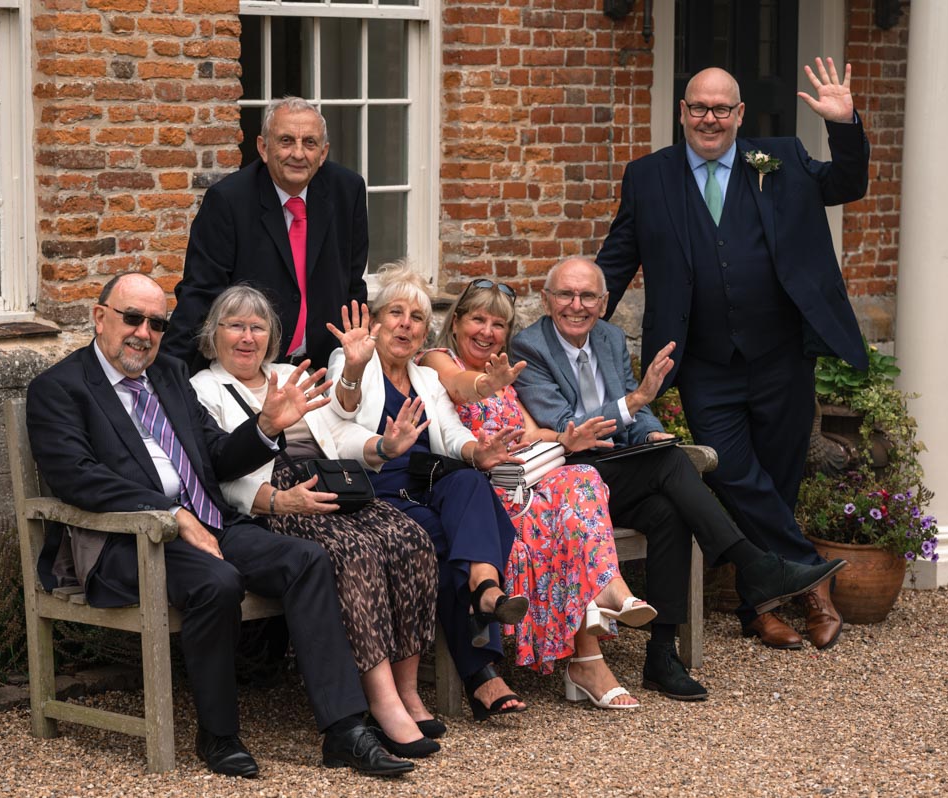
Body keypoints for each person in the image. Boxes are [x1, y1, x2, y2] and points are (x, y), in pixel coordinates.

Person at [25, 272, 412, 778]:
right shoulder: (60, 388)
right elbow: (76, 478)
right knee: (218, 581)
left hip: (211, 525)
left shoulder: (167, 376)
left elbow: (215, 457)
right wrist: (173, 515)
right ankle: (219, 734)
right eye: (133, 318)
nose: (144, 332)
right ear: (100, 318)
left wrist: (267, 426)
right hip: (126, 540)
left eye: (157, 323)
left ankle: (344, 729)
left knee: (307, 560)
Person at [594, 59, 870, 650]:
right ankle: (813, 585)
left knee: (780, 477)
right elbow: (616, 260)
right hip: (702, 363)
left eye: (722, 108)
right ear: (682, 112)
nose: (710, 118)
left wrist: (844, 125)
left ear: (741, 114)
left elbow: (848, 185)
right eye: (699, 107)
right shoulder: (648, 177)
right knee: (739, 475)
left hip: (781, 356)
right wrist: (573, 320)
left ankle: (758, 607)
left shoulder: (783, 159)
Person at [512, 257, 846, 701]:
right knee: (671, 465)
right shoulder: (529, 347)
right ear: (546, 298)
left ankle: (662, 653)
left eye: (588, 296)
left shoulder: (609, 338)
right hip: (568, 484)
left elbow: (636, 411)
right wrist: (635, 402)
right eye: (566, 295)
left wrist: (648, 427)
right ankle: (756, 565)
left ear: (605, 301)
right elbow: (568, 427)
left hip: (620, 474)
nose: (577, 305)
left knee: (668, 510)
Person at [189, 284, 443, 757]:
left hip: (331, 481)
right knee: (354, 553)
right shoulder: (203, 390)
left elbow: (340, 424)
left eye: (257, 327)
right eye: (235, 326)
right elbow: (213, 474)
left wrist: (382, 447)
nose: (247, 337)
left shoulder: (288, 373)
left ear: (272, 335)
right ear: (214, 334)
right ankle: (381, 700)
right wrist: (275, 500)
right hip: (275, 498)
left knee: (411, 539)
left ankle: (408, 689)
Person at [418, 278, 656, 710]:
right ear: (456, 323)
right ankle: (589, 654)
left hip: (529, 486)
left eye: (498, 324)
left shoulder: (504, 377)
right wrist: (488, 385)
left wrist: (571, 436)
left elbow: (534, 433)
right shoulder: (436, 360)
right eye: (478, 319)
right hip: (483, 497)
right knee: (567, 523)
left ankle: (609, 594)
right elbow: (458, 386)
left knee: (581, 476)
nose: (487, 332)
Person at [325, 266, 533, 722]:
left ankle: (485, 586)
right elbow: (343, 407)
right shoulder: (352, 361)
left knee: (470, 480)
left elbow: (453, 433)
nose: (406, 324)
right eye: (395, 313)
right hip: (374, 494)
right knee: (445, 541)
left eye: (417, 317)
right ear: (375, 323)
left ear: (425, 332)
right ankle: (481, 666)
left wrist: (482, 449)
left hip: (423, 485)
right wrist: (357, 372)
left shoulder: (424, 377)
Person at [162, 96, 368, 372]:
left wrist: (352, 364)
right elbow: (200, 295)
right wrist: (167, 377)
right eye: (286, 141)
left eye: (309, 143)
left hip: (324, 367)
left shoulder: (348, 191)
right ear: (263, 147)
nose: (298, 153)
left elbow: (353, 285)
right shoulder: (228, 201)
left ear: (323, 153)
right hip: (250, 368)